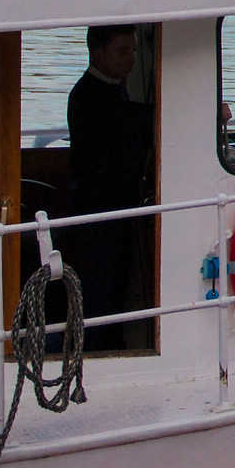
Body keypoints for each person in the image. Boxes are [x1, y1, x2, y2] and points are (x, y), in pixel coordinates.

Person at [66, 25, 155, 347]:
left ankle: (112, 345)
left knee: (116, 287)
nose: (131, 59)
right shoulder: (89, 96)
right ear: (98, 52)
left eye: (134, 51)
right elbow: (133, 121)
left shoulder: (113, 90)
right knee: (100, 292)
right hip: (97, 214)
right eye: (123, 51)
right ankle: (95, 351)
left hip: (117, 208)